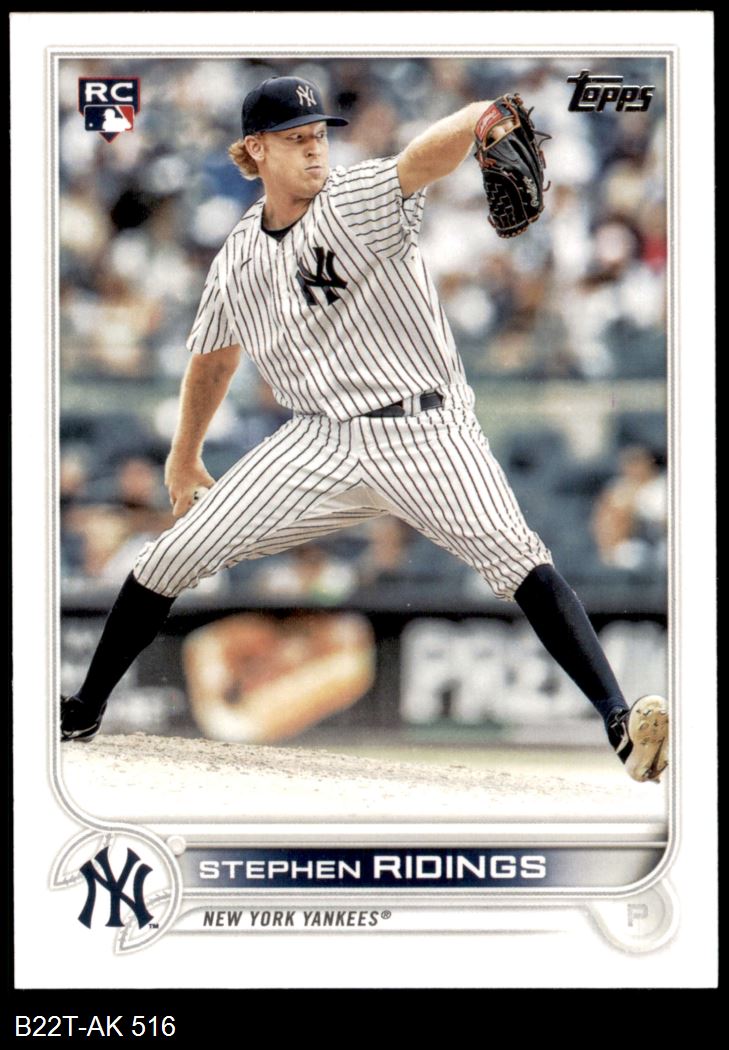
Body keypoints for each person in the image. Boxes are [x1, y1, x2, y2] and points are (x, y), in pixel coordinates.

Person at [61, 75, 668, 783]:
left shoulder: (351, 200)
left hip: (427, 431)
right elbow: (214, 356)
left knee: (517, 556)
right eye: (296, 139)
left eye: (318, 135)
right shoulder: (237, 256)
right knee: (168, 557)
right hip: (317, 441)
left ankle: (618, 722)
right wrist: (184, 454)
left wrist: (478, 116)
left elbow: (418, 161)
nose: (314, 149)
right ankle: (84, 709)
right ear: (255, 150)